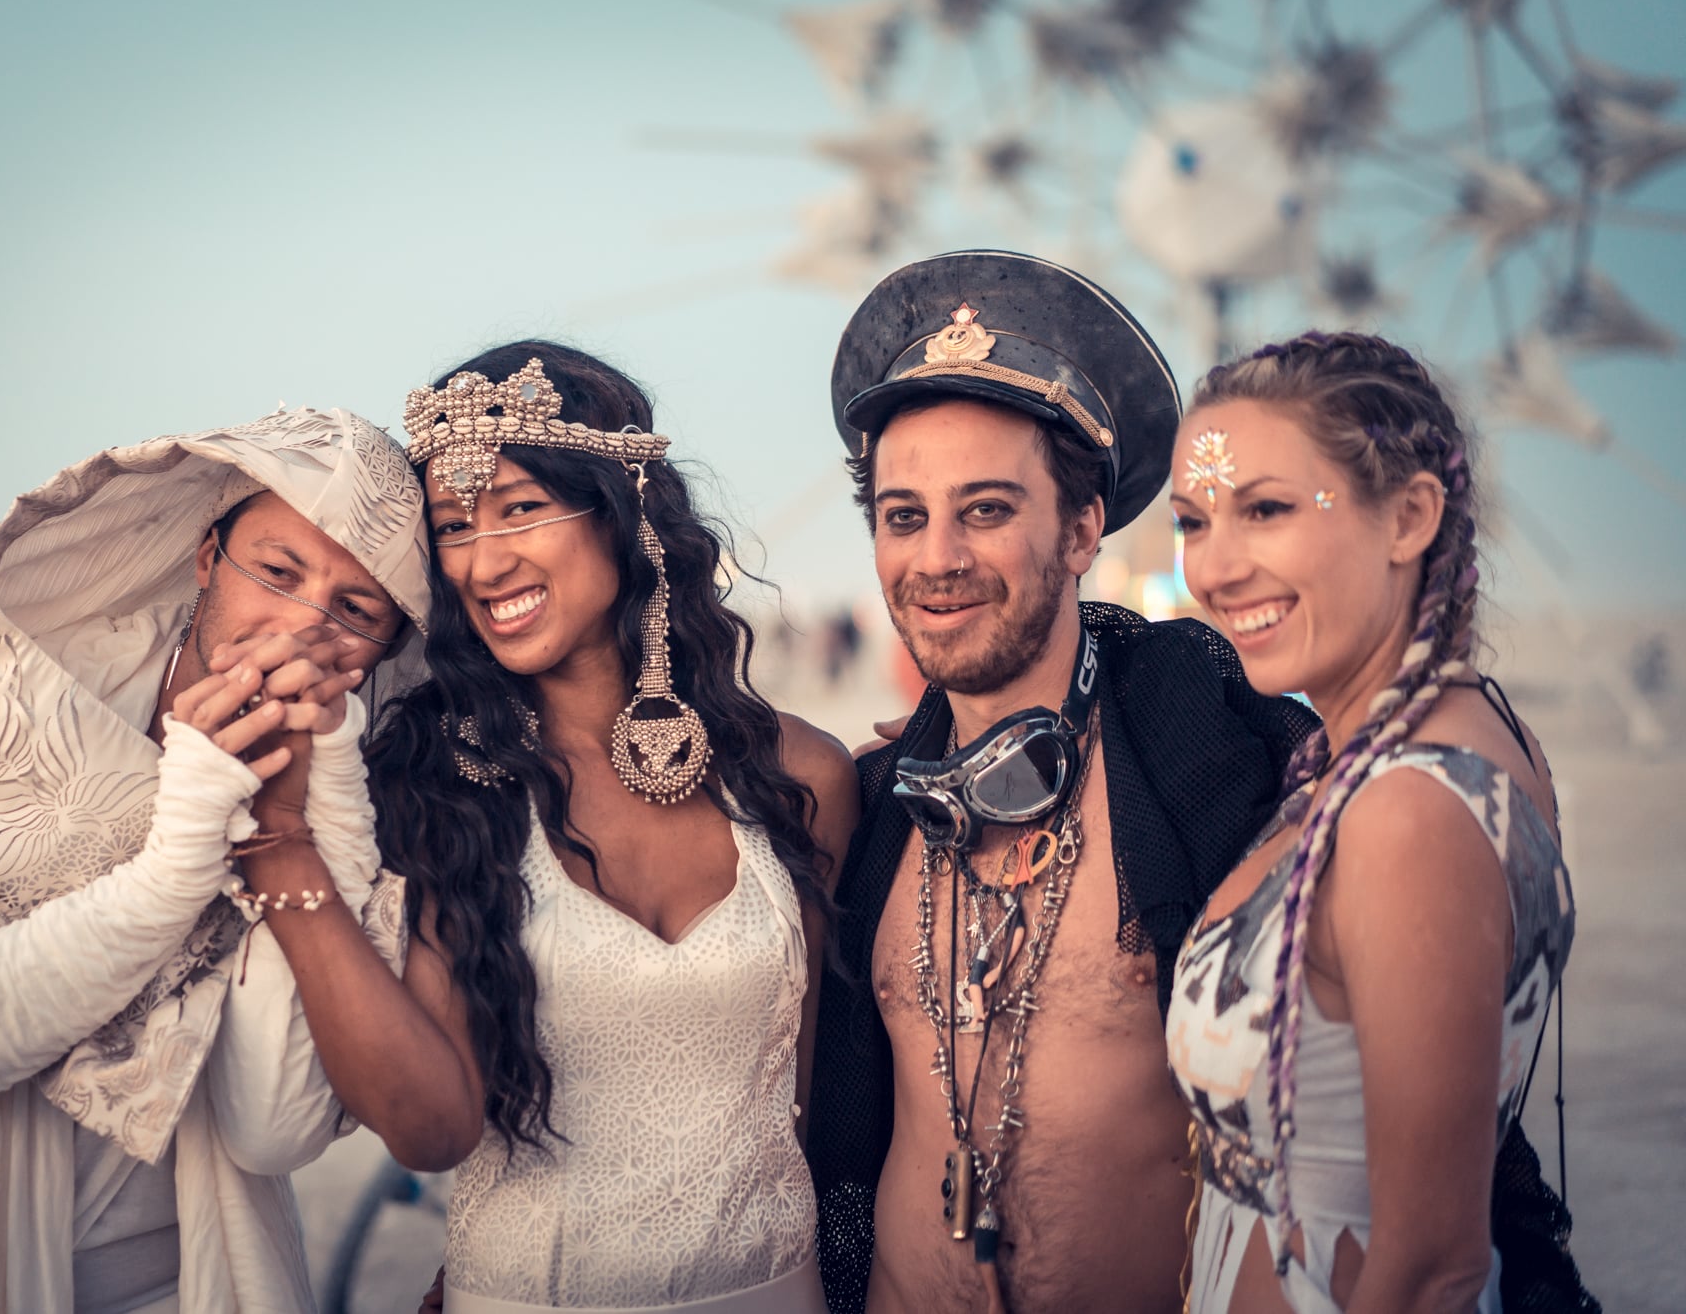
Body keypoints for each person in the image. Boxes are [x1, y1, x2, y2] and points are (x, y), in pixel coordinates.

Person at [802, 252, 1595, 1314]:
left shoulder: (1228, 774)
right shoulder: (873, 807)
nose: (934, 555)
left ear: (1083, 529)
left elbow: (1425, 1210)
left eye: (985, 509)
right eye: (902, 516)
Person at [238, 342, 859, 1312]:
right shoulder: (439, 790)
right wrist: (280, 847)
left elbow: (819, 1105)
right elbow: (427, 1129)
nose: (484, 561)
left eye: (519, 508)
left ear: (626, 515)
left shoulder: (804, 778)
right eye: (452, 524)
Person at [0, 406, 434, 1313]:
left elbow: (270, 1126)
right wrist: (174, 865)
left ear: (385, 651)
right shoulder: (15, 706)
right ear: (209, 558)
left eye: (355, 610)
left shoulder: (353, 786)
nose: (298, 629)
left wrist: (307, 808)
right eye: (279, 572)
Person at [1164, 333, 1577, 1312]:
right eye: (1191, 519)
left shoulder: (1403, 811)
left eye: (1263, 508)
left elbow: (1433, 1263)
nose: (1214, 567)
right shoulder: (1465, 728)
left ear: (1407, 515)